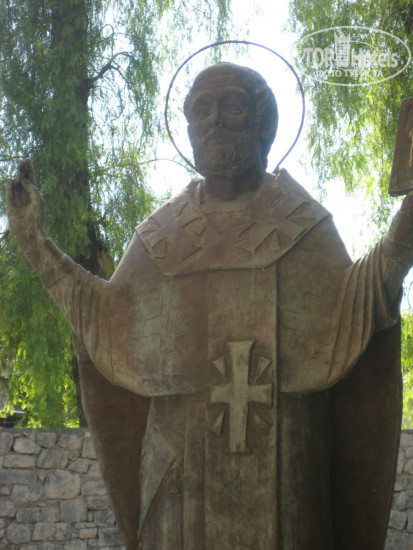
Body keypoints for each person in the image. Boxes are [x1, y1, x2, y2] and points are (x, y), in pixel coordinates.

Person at [6, 62, 413, 550]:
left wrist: (408, 218)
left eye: (231, 106)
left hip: (286, 461)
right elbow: (102, 317)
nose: (214, 119)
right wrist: (33, 240)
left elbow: (364, 300)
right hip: (180, 475)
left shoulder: (303, 225)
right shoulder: (160, 235)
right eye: (200, 110)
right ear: (188, 130)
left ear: (263, 123)